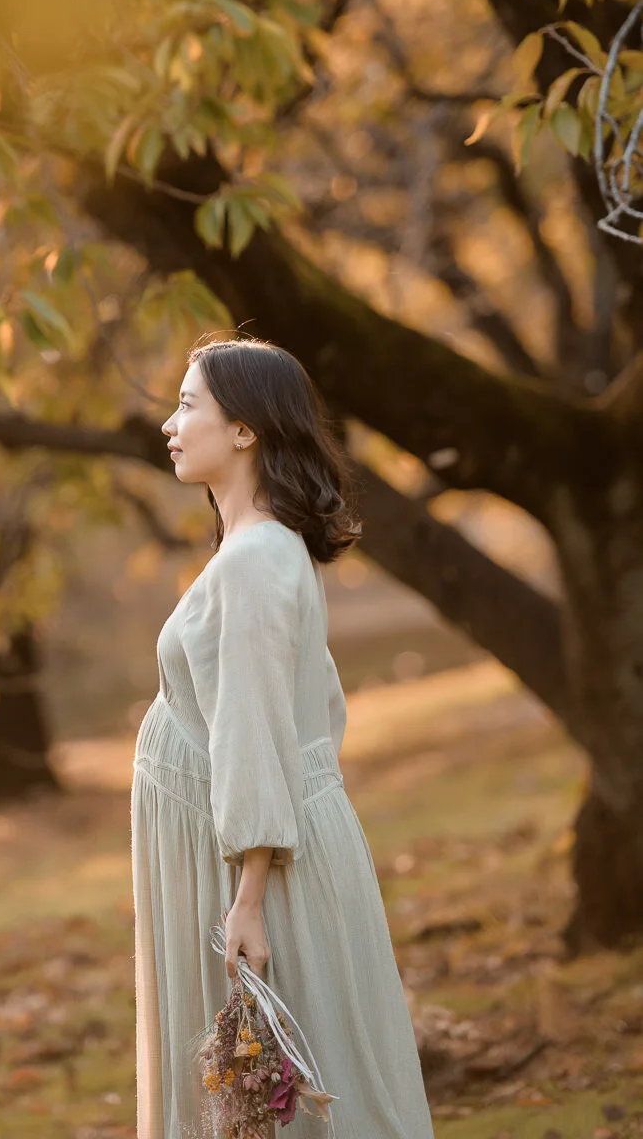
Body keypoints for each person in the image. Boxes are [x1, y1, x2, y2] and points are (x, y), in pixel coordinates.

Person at [131, 336, 435, 1139]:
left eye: (187, 405)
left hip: (260, 871)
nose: (169, 425)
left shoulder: (255, 561)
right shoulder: (259, 551)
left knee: (297, 1100)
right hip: (249, 857)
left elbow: (257, 730)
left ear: (245, 429)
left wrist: (249, 900)